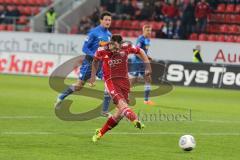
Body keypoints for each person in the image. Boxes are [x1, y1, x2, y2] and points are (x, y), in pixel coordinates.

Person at [89, 34, 152, 142]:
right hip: (111, 82)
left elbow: (140, 51)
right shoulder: (101, 50)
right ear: (111, 43)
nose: (116, 50)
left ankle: (100, 132)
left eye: (118, 48)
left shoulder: (126, 47)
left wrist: (148, 66)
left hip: (124, 82)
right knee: (123, 106)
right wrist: (93, 77)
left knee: (119, 115)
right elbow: (95, 61)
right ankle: (135, 120)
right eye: (114, 48)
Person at [55, 11, 112, 116]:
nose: (108, 22)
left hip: (101, 64)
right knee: (79, 86)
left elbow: (107, 49)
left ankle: (104, 111)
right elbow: (84, 48)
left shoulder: (109, 35)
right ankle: (61, 96)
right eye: (106, 20)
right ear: (101, 21)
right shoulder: (93, 32)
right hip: (89, 63)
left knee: (109, 83)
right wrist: (94, 55)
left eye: (109, 20)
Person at [129, 24, 155, 105]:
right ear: (143, 31)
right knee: (132, 81)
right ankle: (123, 97)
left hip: (143, 62)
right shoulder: (141, 39)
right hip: (137, 62)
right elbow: (136, 52)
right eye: (147, 30)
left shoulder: (148, 39)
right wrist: (145, 59)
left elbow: (143, 52)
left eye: (150, 30)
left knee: (148, 79)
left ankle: (146, 100)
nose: (149, 32)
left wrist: (148, 57)